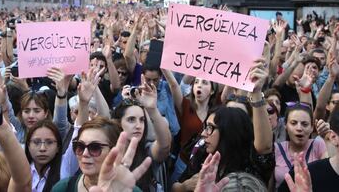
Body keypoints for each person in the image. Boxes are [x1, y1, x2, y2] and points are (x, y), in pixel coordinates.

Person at [172, 59, 274, 191]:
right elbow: (175, 186)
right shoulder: (202, 153)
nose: (203, 134)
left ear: (229, 131)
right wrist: (185, 186)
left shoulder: (250, 161)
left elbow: (265, 147)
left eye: (210, 128)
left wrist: (256, 92)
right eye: (205, 127)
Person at [51, 117, 142, 192]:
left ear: (114, 152)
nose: (85, 154)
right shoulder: (62, 188)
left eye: (95, 148)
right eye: (80, 146)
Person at [112, 80, 171, 191]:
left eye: (142, 120)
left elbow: (164, 146)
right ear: (118, 123)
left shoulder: (147, 150)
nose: (138, 126)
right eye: (131, 120)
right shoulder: (107, 151)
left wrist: (152, 109)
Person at [279, 105, 339, 191]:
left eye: (304, 124)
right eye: (293, 123)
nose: (299, 128)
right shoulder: (304, 178)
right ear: (333, 137)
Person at [25, 120, 63, 192]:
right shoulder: (20, 172)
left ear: (58, 147)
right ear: (28, 145)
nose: (42, 148)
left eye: (49, 142)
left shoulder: (65, 168)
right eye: (36, 142)